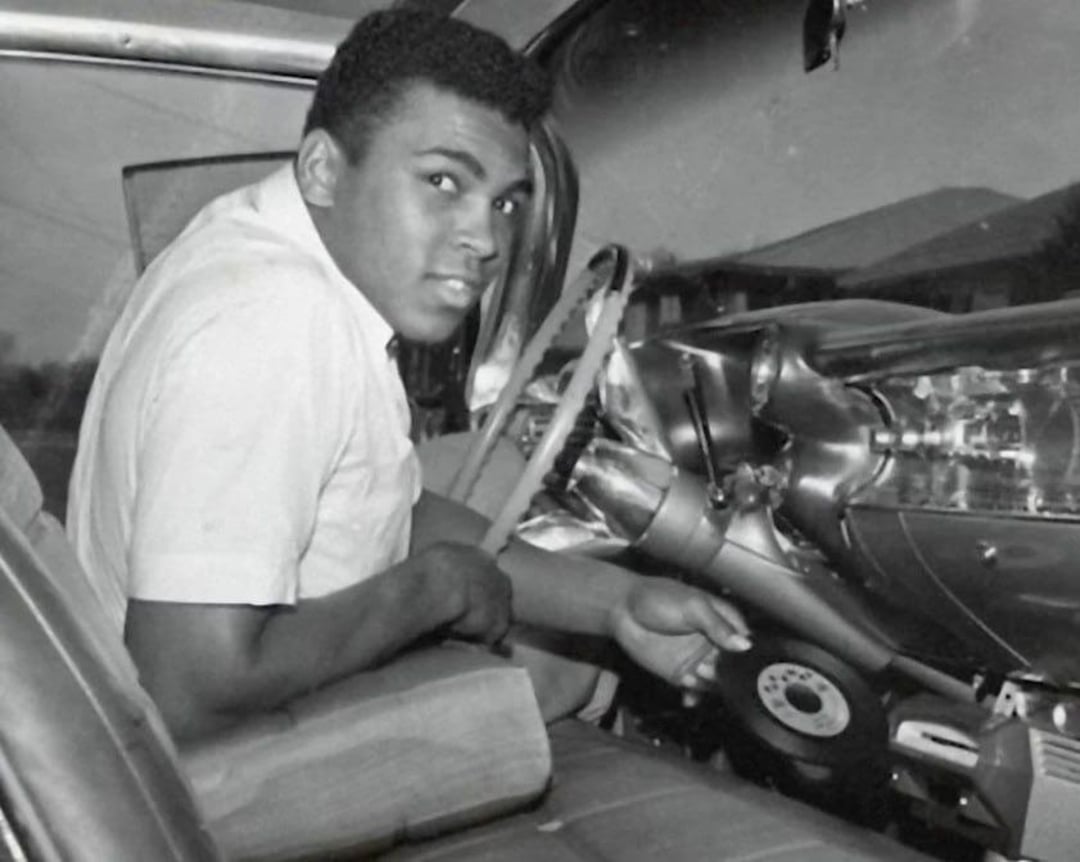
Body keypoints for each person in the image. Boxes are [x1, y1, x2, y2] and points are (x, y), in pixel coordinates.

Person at [67, 8, 750, 745]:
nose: (484, 239)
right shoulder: (274, 318)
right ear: (323, 169)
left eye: (506, 202)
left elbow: (385, 507)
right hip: (210, 796)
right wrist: (437, 590)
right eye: (441, 181)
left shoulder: (257, 258)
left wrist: (617, 601)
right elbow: (187, 687)